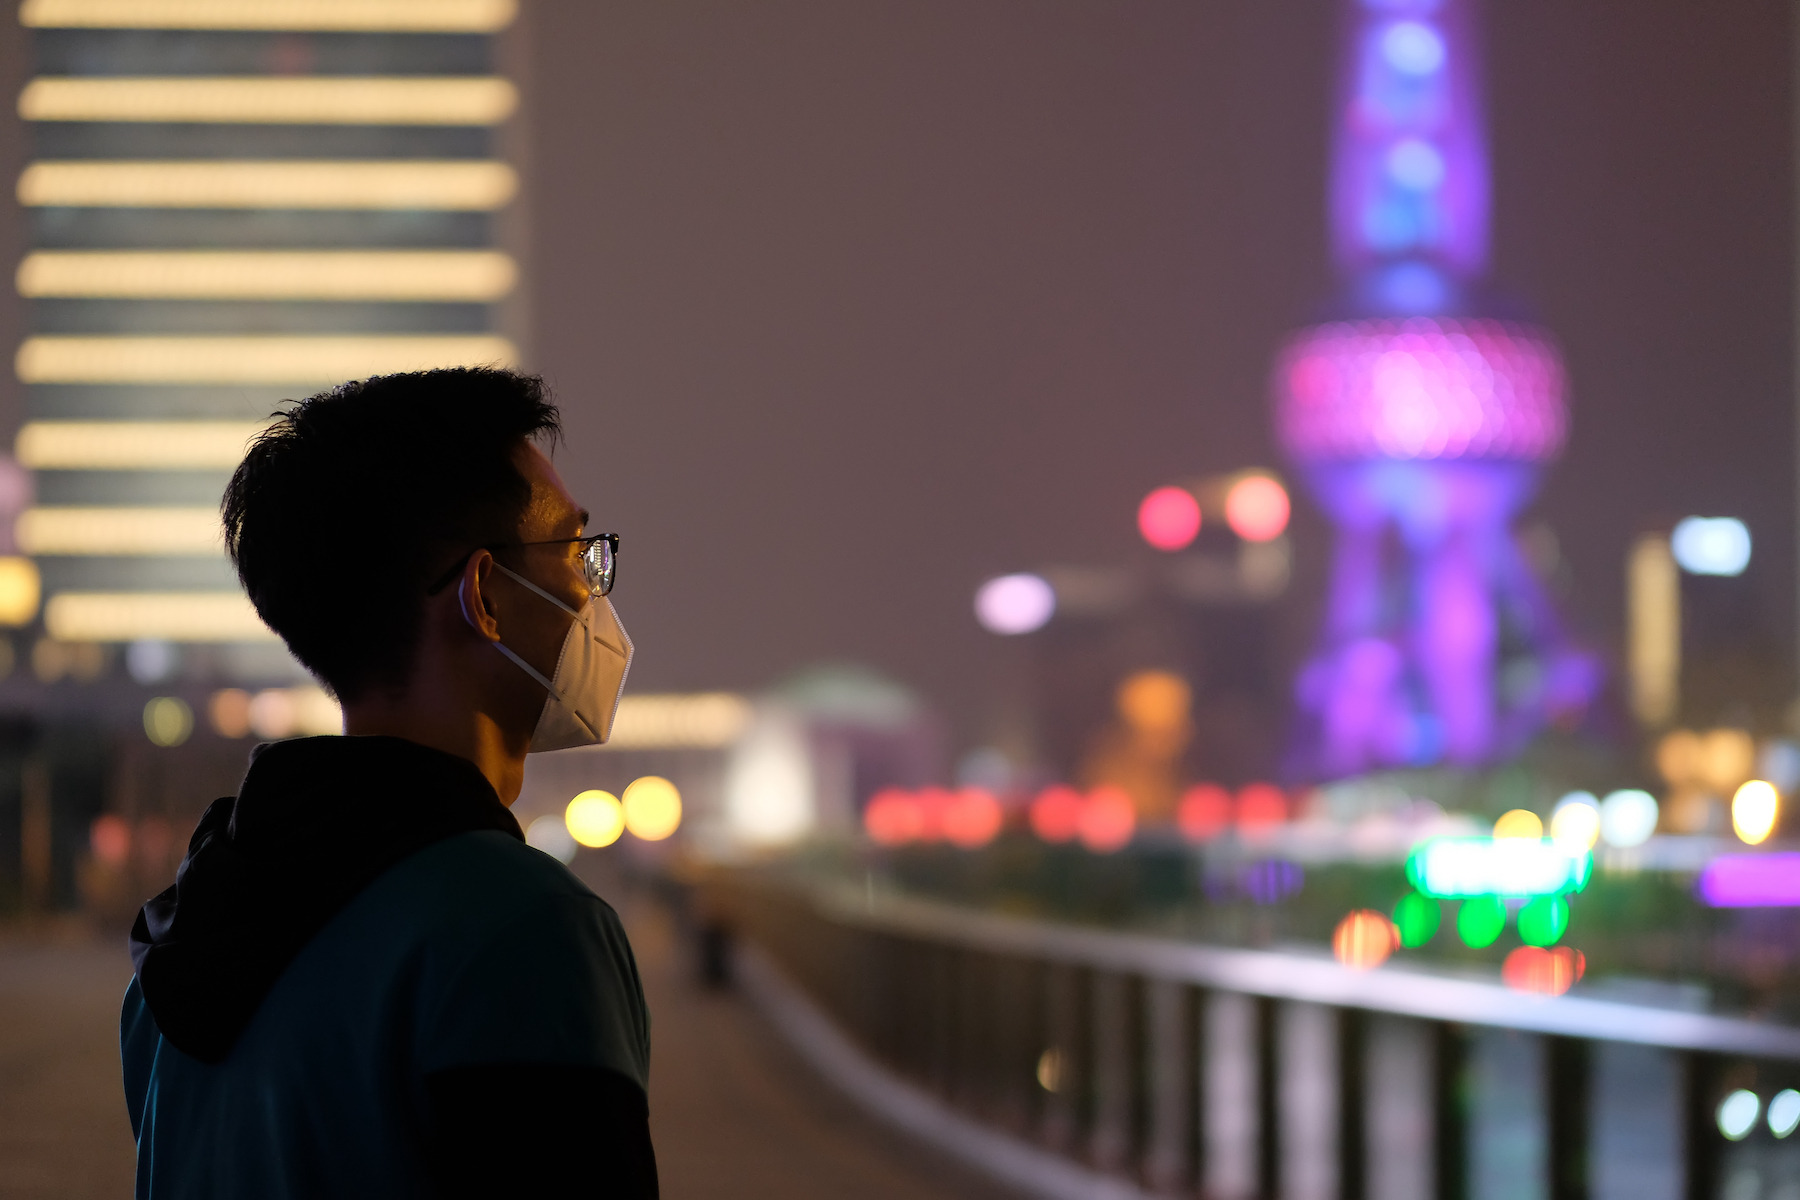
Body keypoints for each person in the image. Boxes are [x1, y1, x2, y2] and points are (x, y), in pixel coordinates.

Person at [120, 367, 657, 1198]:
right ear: (485, 594)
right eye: (576, 554)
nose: (592, 591)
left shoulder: (174, 953)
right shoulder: (528, 927)